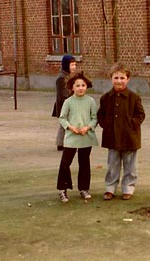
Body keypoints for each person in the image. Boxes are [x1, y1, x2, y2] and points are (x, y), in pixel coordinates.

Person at [97, 62, 145, 200]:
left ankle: (128, 188)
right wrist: (105, 125)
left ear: (128, 79)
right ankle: (110, 188)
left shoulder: (134, 97)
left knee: (130, 166)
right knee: (113, 165)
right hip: (112, 137)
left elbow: (140, 115)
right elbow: (101, 114)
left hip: (130, 137)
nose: (119, 81)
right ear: (111, 78)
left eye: (122, 78)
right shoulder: (106, 98)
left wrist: (132, 124)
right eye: (116, 78)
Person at [56, 71, 98, 203]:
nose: (80, 88)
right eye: (77, 85)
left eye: (83, 85)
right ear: (72, 87)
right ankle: (63, 189)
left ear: (87, 86)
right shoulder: (68, 102)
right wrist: (70, 127)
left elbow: (94, 118)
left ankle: (84, 188)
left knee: (84, 163)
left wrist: (88, 127)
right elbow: (62, 118)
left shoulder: (90, 101)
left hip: (86, 136)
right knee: (65, 163)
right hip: (71, 137)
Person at [52, 55, 77, 151]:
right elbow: (62, 94)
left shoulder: (69, 76)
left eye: (75, 65)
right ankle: (60, 143)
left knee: (67, 124)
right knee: (64, 125)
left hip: (68, 103)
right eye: (72, 65)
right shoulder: (61, 78)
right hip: (63, 105)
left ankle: (64, 142)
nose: (74, 67)